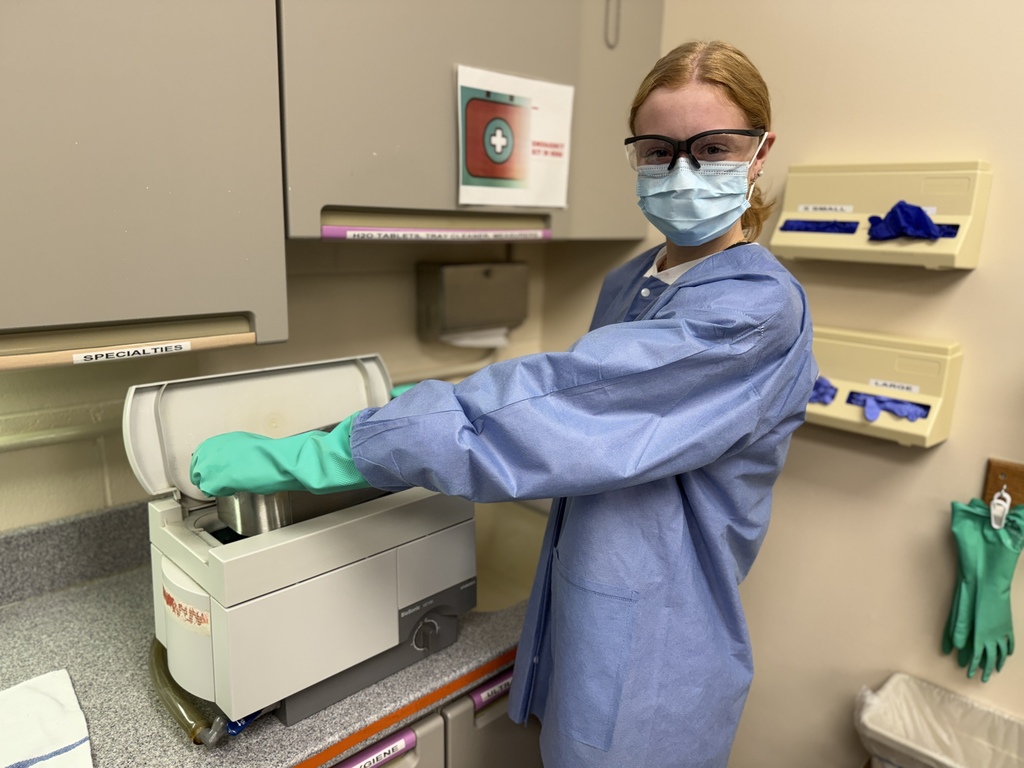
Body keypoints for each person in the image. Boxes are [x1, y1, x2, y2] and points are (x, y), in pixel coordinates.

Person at [190, 40, 817, 768]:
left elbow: (560, 413)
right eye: (657, 150)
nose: (681, 172)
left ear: (760, 150)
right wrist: (416, 405)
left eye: (711, 148)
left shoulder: (752, 314)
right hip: (594, 615)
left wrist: (330, 449)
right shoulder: (632, 281)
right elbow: (577, 399)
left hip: (658, 653)